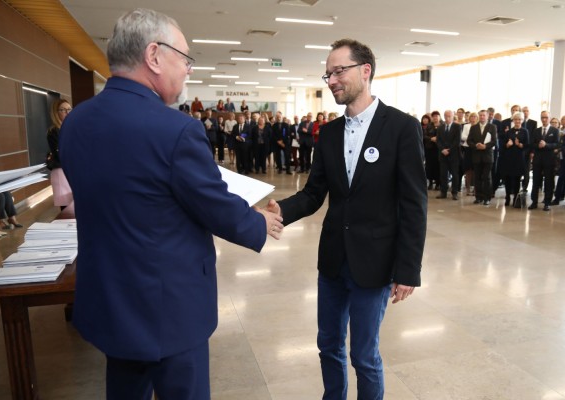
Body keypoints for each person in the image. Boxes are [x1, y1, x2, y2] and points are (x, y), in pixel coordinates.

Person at [58, 9, 283, 400]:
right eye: (185, 58)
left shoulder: (76, 122)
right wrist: (258, 222)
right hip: (169, 307)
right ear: (154, 56)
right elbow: (213, 205)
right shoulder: (176, 130)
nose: (189, 70)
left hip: (110, 298)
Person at [267, 38, 427, 400]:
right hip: (334, 260)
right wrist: (283, 210)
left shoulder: (401, 127)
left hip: (375, 263)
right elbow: (313, 193)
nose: (332, 80)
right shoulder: (329, 133)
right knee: (328, 344)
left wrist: (408, 270)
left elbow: (414, 204)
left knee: (364, 355)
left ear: (365, 71)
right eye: (328, 74)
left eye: (339, 71)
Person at [529, 111, 560, 211]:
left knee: (549, 182)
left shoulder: (555, 131)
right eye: (542, 117)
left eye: (546, 117)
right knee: (535, 181)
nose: (544, 119)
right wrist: (538, 145)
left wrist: (546, 145)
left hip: (549, 160)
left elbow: (557, 144)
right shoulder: (536, 131)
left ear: (549, 118)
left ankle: (547, 203)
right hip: (537, 160)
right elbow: (532, 144)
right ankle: (534, 202)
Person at [47, 99, 73, 210]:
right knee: (66, 208)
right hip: (61, 172)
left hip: (71, 171)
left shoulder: (70, 128)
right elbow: (62, 153)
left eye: (69, 109)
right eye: (63, 110)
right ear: (56, 113)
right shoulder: (54, 131)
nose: (67, 112)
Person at [498, 112, 528, 206]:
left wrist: (520, 145)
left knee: (516, 179)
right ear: (513, 120)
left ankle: (515, 198)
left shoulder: (525, 131)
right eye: (516, 119)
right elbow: (502, 145)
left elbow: (528, 145)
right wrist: (507, 144)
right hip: (509, 158)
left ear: (522, 121)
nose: (517, 121)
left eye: (519, 119)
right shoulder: (509, 132)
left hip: (519, 158)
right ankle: (507, 197)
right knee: (507, 178)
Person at [467, 109, 497, 205]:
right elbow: (469, 141)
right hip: (476, 155)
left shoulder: (492, 127)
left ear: (487, 116)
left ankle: (487, 198)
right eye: (480, 115)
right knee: (477, 177)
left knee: (487, 177)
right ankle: (478, 197)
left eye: (484, 115)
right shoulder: (474, 127)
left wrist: (485, 146)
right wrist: (476, 145)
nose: (482, 117)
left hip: (487, 156)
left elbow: (494, 141)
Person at [436, 110, 462, 200]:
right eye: (446, 116)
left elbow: (457, 141)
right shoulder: (440, 127)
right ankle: (443, 192)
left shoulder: (457, 127)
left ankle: (454, 192)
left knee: (455, 174)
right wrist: (442, 149)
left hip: (453, 154)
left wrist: (449, 150)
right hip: (443, 154)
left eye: (449, 116)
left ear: (452, 116)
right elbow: (438, 140)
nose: (447, 118)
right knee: (443, 174)